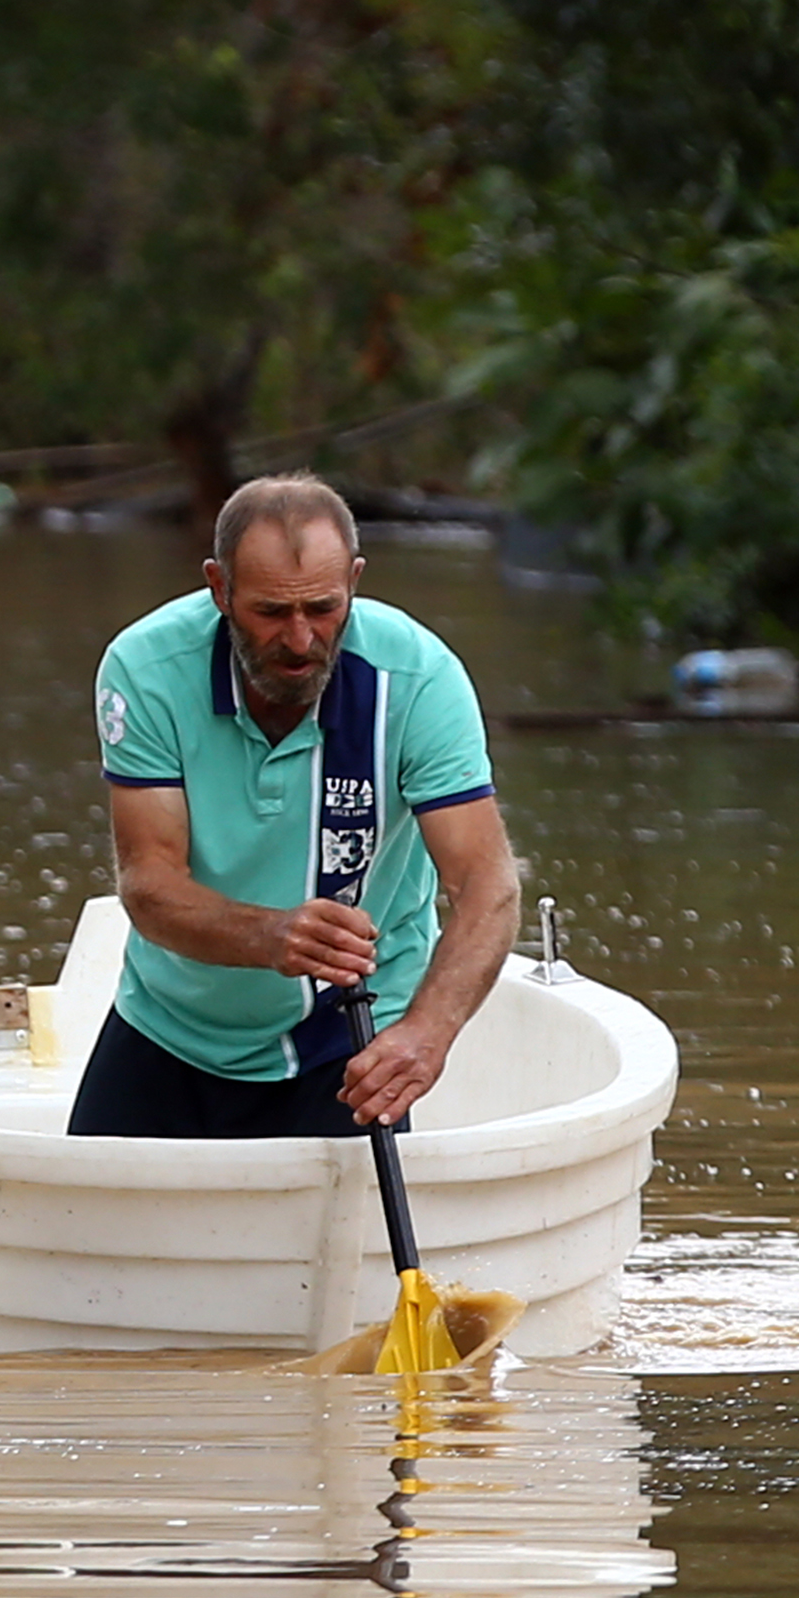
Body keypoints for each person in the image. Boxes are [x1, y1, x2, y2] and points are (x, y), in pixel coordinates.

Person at [69, 472, 520, 1139]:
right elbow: (150, 885)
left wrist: (425, 1034)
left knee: (345, 1241)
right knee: (84, 1232)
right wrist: (270, 936)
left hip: (347, 1036)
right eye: (270, 613)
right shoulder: (147, 667)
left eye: (322, 608)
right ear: (218, 587)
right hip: (171, 1024)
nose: (302, 639)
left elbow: (486, 887)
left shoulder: (418, 679)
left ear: (355, 582)